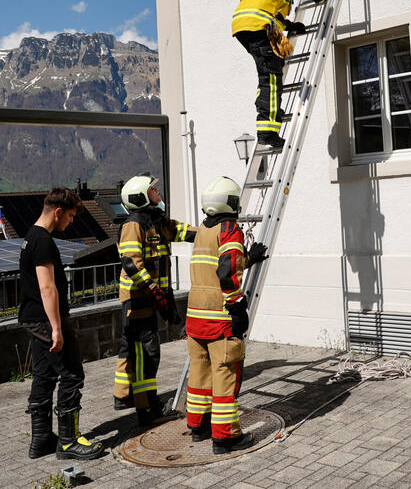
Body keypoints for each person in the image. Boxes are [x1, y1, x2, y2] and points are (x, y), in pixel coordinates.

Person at [184, 176, 269, 454]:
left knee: (199, 372)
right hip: (220, 319)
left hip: (195, 318)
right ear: (230, 203)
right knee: (225, 375)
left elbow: (217, 264)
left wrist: (249, 258)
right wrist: (236, 305)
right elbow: (227, 271)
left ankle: (198, 426)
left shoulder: (203, 231)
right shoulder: (230, 229)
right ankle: (225, 436)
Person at [18, 187, 104, 460]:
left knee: (44, 375)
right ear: (57, 212)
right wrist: (56, 327)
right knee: (71, 375)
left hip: (33, 318)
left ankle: (41, 439)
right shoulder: (43, 241)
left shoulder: (30, 237)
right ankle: (67, 442)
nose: (71, 221)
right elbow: (47, 288)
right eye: (69, 216)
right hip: (46, 320)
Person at [112, 172, 196, 426]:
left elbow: (181, 231)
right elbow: (131, 262)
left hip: (150, 297)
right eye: (153, 192)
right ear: (141, 198)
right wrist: (153, 289)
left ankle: (129, 398)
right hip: (137, 299)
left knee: (144, 350)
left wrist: (211, 233)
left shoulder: (156, 221)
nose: (158, 195)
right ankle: (145, 409)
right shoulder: (134, 224)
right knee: (145, 352)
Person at [232, 0, 327, 149]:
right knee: (271, 78)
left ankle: (268, 125)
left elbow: (268, 10)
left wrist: (290, 25)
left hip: (242, 26)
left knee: (268, 69)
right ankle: (268, 132)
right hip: (259, 26)